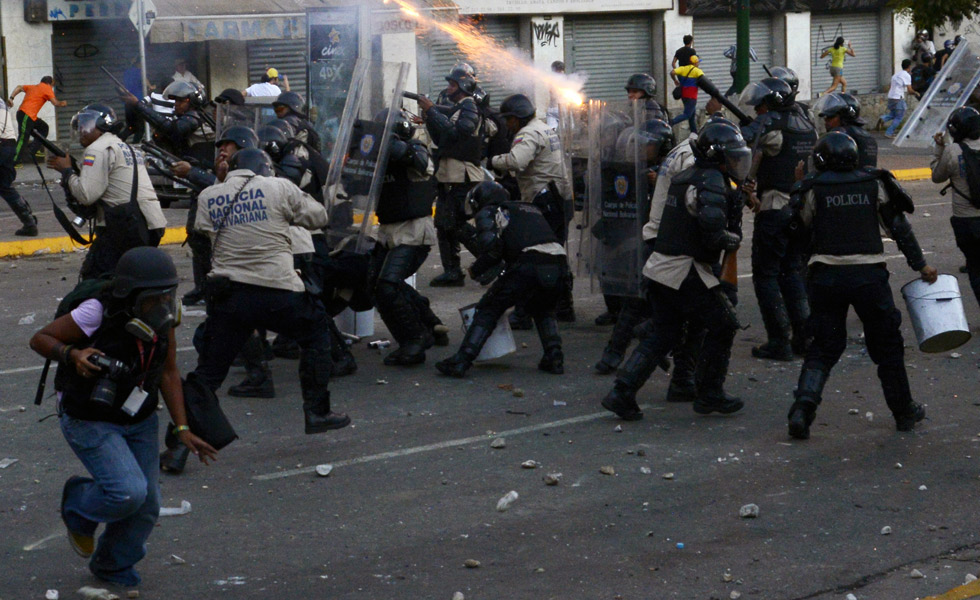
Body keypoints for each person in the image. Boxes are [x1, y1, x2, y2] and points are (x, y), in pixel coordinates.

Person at [28, 247, 217, 587]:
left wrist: (183, 427)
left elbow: (169, 372)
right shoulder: (96, 311)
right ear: (130, 295)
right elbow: (40, 338)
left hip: (139, 416)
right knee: (127, 491)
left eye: (167, 295)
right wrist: (73, 354)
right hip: (89, 416)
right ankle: (77, 503)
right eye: (152, 298)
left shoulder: (164, 318)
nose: (162, 304)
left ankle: (113, 564)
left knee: (147, 504)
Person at [786, 132, 936, 439]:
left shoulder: (812, 188)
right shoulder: (874, 182)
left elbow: (798, 232)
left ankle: (803, 407)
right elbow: (899, 229)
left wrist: (797, 186)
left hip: (826, 276)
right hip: (869, 277)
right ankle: (903, 411)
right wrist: (920, 265)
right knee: (887, 347)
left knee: (824, 346)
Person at [191, 148, 350, 436]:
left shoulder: (208, 195)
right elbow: (319, 217)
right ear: (265, 167)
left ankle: (181, 442)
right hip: (278, 291)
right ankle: (317, 412)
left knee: (209, 372)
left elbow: (202, 234)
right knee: (316, 335)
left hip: (230, 295)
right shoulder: (278, 187)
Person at [601, 122, 748, 421]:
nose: (736, 163)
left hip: (660, 267)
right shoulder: (710, 182)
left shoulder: (687, 177)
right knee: (724, 324)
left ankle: (622, 391)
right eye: (731, 157)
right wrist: (735, 239)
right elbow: (714, 236)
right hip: (686, 269)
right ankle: (710, 393)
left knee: (664, 333)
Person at [435, 181, 567, 378]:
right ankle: (554, 357)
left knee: (489, 308)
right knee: (543, 308)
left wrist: (477, 268)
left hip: (528, 263)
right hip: (559, 264)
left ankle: (462, 360)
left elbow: (490, 247)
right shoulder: (530, 208)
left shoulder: (491, 211)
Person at [741, 78, 816, 360]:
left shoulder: (773, 129)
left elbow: (749, 153)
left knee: (766, 275)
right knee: (792, 272)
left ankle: (779, 341)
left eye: (760, 106)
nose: (757, 112)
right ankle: (804, 337)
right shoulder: (807, 125)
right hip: (799, 207)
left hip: (774, 208)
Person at [46, 104, 167, 280]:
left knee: (95, 279)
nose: (81, 130)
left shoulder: (97, 149)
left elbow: (86, 195)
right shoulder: (123, 146)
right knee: (132, 278)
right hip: (147, 224)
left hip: (124, 227)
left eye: (87, 124)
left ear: (102, 125)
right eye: (80, 126)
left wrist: (67, 172)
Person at [593, 119, 675, 375]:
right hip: (642, 247)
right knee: (633, 304)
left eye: (648, 146)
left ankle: (649, 343)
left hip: (669, 249)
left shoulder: (672, 170)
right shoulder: (634, 169)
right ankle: (614, 354)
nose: (642, 149)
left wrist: (659, 183)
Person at [368, 109, 448, 366]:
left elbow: (419, 161)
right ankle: (430, 323)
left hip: (413, 231)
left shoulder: (416, 148)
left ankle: (414, 341)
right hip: (388, 231)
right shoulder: (380, 159)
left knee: (388, 286)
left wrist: (386, 140)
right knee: (375, 283)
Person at [491, 94, 576, 326]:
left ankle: (526, 311)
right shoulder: (544, 128)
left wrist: (494, 160)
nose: (507, 124)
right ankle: (563, 306)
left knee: (533, 256)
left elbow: (517, 161)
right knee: (556, 253)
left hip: (544, 200)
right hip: (559, 198)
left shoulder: (528, 133)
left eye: (509, 119)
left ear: (518, 119)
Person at [171, 125, 259, 306]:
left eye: (228, 144)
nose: (222, 148)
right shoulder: (223, 167)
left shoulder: (254, 170)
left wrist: (192, 172)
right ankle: (204, 288)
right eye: (221, 145)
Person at [418, 66, 485, 287]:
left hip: (462, 176)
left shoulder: (469, 107)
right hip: (449, 176)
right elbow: (440, 136)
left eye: (452, 85)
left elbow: (457, 133)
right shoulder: (456, 108)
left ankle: (490, 262)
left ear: (463, 87)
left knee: (457, 224)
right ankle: (452, 271)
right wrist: (429, 116)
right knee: (443, 223)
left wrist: (434, 112)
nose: (448, 88)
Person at [931, 106, 980, 308]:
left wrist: (939, 149)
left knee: (976, 269)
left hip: (966, 221)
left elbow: (937, 176)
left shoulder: (953, 151)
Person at [123, 81, 214, 166]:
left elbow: (171, 129)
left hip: (200, 168)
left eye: (181, 101)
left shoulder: (195, 117)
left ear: (194, 100)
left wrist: (138, 105)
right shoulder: (183, 118)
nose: (176, 104)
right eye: (175, 101)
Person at [9, 75, 67, 163]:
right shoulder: (47, 88)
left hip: (28, 116)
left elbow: (19, 87)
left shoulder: (33, 87)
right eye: (52, 85)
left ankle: (33, 149)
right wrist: (62, 103)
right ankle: (13, 161)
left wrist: (11, 98)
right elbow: (55, 103)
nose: (52, 88)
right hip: (26, 115)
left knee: (43, 127)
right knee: (23, 138)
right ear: (50, 83)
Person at [0, 98, 37, 235]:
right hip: (6, 146)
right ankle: (29, 223)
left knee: (5, 186)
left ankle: (30, 222)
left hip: (2, 146)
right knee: (5, 186)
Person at [814, 92, 877, 167]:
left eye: (830, 117)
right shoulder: (868, 136)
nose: (826, 120)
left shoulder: (838, 135)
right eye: (825, 117)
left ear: (844, 117)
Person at [880, 59, 920, 139]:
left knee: (894, 113)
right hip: (898, 97)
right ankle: (889, 132)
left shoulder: (896, 75)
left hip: (891, 96)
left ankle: (883, 118)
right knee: (899, 116)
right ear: (909, 66)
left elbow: (891, 86)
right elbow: (909, 90)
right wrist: (916, 92)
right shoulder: (906, 75)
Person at [670, 56, 703, 134]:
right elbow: (703, 80)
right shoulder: (697, 71)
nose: (698, 63)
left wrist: (675, 80)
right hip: (692, 96)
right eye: (698, 62)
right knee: (687, 114)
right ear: (695, 63)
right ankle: (671, 122)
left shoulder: (684, 68)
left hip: (684, 96)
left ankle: (694, 133)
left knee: (692, 115)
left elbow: (672, 72)